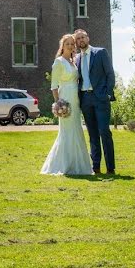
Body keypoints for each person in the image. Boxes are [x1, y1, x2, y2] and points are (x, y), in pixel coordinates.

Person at [41, 34, 93, 176]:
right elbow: (53, 86)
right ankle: (62, 165)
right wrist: (59, 104)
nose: (70, 46)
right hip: (65, 99)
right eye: (67, 44)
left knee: (76, 129)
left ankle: (78, 165)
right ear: (62, 46)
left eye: (72, 44)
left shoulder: (73, 62)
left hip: (75, 99)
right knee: (66, 131)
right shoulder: (59, 62)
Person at [74, 28, 117, 175]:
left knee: (104, 131)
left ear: (88, 38)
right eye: (78, 39)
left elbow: (110, 74)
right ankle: (96, 167)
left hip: (100, 98)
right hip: (85, 99)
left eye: (83, 37)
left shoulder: (100, 53)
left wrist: (107, 93)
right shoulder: (77, 59)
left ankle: (110, 168)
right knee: (92, 134)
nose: (81, 40)